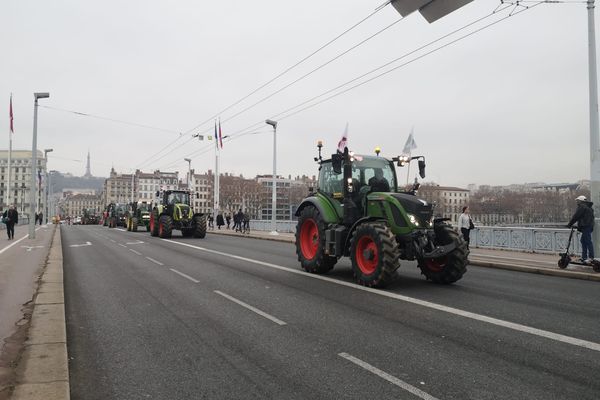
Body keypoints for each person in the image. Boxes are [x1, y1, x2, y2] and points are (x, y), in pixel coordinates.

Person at [567, 195, 595, 263]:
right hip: (588, 226)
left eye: (577, 201)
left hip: (586, 226)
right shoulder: (589, 207)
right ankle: (584, 257)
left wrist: (569, 224)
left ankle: (591, 258)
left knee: (588, 241)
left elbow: (576, 216)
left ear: (581, 201)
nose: (577, 202)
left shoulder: (582, 207)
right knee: (583, 241)